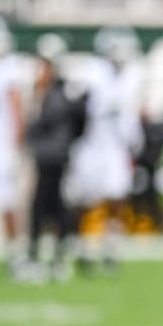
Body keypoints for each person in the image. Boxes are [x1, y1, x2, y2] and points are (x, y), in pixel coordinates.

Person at [62, 26, 144, 276]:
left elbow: (132, 111)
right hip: (91, 145)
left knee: (118, 196)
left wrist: (135, 138)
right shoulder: (92, 72)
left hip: (116, 147)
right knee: (83, 198)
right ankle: (82, 245)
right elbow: (75, 108)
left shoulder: (132, 75)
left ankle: (111, 247)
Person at [25, 33, 85, 280]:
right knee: (49, 205)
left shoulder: (58, 92)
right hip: (51, 154)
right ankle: (49, 255)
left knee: (47, 206)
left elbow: (74, 122)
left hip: (54, 155)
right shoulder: (51, 90)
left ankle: (50, 255)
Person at [0, 16, 25, 277]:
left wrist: (16, 144)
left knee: (6, 201)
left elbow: (16, 108)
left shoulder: (8, 69)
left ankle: (16, 257)